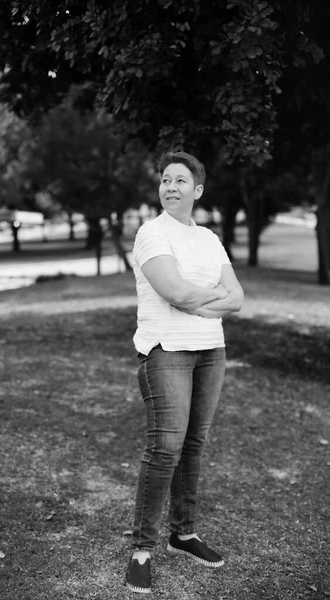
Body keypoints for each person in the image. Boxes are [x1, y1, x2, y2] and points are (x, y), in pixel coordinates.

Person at [125, 151, 244, 594]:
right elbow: (172, 292)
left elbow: (238, 298)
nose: (170, 186)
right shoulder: (150, 233)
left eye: (180, 180)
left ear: (197, 190)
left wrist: (201, 299)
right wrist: (210, 296)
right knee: (164, 449)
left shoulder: (210, 239)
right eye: (164, 179)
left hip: (211, 350)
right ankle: (141, 549)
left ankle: (184, 533)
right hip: (166, 350)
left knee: (194, 444)